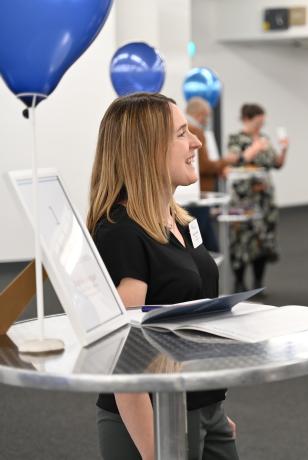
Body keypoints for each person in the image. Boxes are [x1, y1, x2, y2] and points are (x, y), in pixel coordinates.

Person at [87, 92, 238, 460]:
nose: (197, 142)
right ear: (147, 148)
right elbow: (124, 358)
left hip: (200, 405)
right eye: (182, 133)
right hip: (153, 420)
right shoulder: (122, 233)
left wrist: (211, 409)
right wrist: (156, 450)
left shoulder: (180, 220)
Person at [225, 103, 289, 293]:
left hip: (265, 199)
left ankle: (258, 282)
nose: (260, 127)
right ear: (246, 119)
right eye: (257, 122)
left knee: (263, 238)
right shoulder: (236, 139)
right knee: (241, 238)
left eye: (263, 123)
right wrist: (254, 148)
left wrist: (284, 149)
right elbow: (233, 160)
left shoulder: (264, 138)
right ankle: (239, 282)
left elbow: (276, 164)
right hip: (244, 197)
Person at [185, 97, 231, 252]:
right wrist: (226, 161)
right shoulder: (195, 130)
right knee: (203, 244)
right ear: (200, 114)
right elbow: (202, 166)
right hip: (197, 194)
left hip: (189, 194)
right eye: (207, 116)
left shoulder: (186, 129)